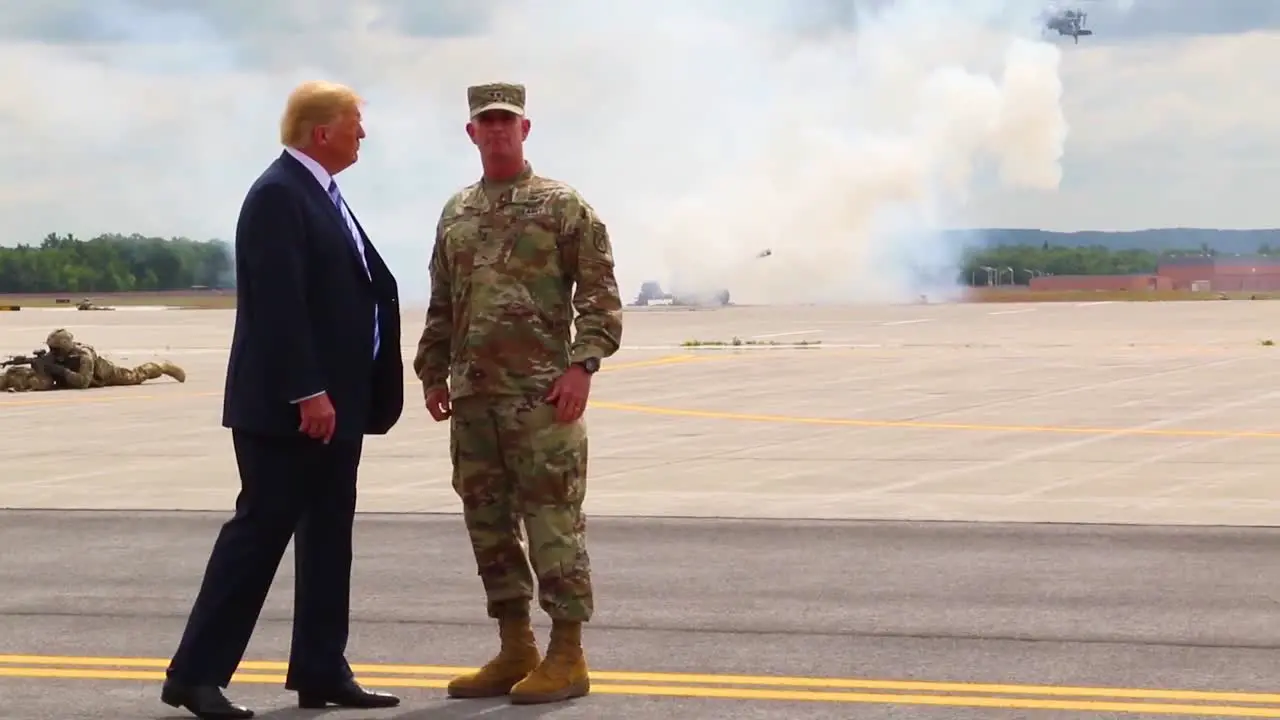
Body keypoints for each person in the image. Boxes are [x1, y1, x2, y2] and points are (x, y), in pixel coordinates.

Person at [161, 80, 405, 719]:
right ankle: (195, 675)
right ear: (320, 131)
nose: (363, 134)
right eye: (355, 123)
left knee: (329, 538)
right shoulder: (278, 195)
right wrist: (309, 390)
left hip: (337, 406)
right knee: (260, 534)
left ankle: (322, 668)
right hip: (292, 410)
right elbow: (277, 305)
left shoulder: (322, 195)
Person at [413, 82, 623, 706]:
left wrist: (582, 365)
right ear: (471, 134)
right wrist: (431, 372)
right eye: (487, 122)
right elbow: (443, 301)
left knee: (554, 524)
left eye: (508, 121)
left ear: (525, 130)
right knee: (490, 527)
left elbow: (601, 296)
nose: (498, 130)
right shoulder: (456, 212)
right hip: (474, 403)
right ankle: (515, 646)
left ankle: (568, 653)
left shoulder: (562, 206)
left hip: (541, 403)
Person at [0, 328, 185, 392]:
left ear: (65, 346)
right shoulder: (56, 356)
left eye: (55, 349)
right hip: (81, 376)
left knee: (136, 375)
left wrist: (59, 370)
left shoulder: (84, 356)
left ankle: (162, 366)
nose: (52, 352)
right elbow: (48, 366)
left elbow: (83, 383)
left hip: (105, 375)